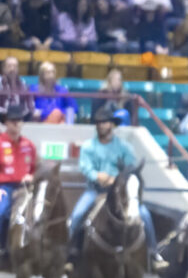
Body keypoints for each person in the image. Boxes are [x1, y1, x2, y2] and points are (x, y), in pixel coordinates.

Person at [67, 109, 163, 269]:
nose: (101, 125)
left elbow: (131, 169)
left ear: (112, 125)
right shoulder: (88, 147)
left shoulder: (124, 147)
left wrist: (115, 179)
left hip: (120, 192)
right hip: (95, 190)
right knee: (77, 215)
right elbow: (85, 167)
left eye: (104, 122)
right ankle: (70, 254)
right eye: (99, 123)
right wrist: (97, 176)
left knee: (144, 215)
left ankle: (153, 253)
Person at [0, 106, 36, 253]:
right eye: (13, 120)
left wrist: (32, 176)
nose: (16, 123)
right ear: (6, 122)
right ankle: (2, 246)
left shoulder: (29, 145)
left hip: (26, 187)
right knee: (2, 212)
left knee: (42, 212)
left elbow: (35, 168)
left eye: (19, 120)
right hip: (4, 187)